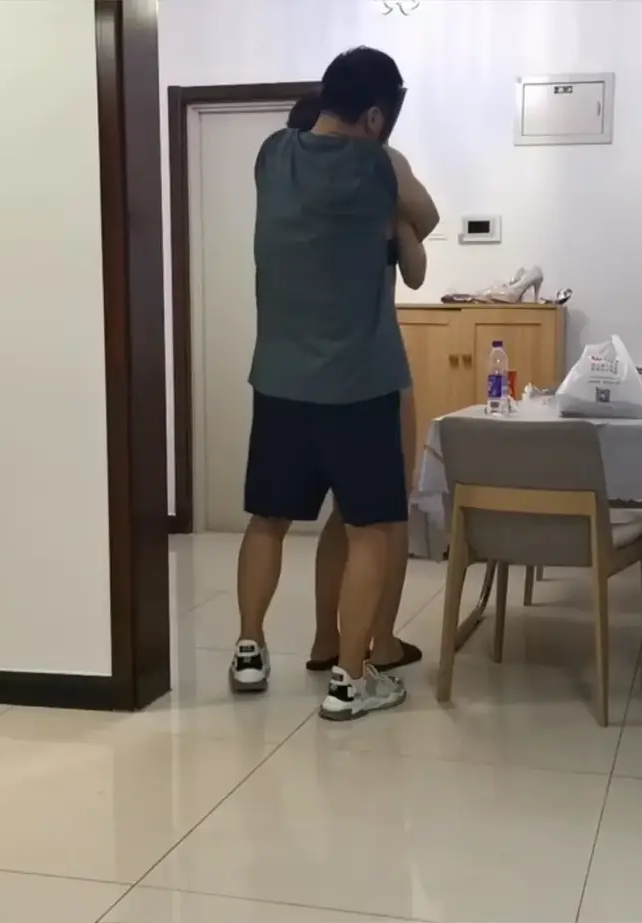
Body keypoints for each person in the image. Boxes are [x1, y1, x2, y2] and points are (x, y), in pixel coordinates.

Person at [232, 47, 440, 721]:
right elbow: (429, 216)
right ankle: (350, 679)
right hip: (359, 383)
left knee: (267, 520)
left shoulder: (271, 155)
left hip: (280, 379)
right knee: (372, 529)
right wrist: (393, 210)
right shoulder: (382, 165)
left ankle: (249, 648)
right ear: (376, 115)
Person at [282, 92, 431, 676]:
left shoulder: (292, 194)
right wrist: (399, 207)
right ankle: (381, 642)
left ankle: (327, 638)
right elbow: (420, 255)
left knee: (344, 516)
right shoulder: (379, 173)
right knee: (383, 516)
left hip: (304, 373)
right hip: (372, 369)